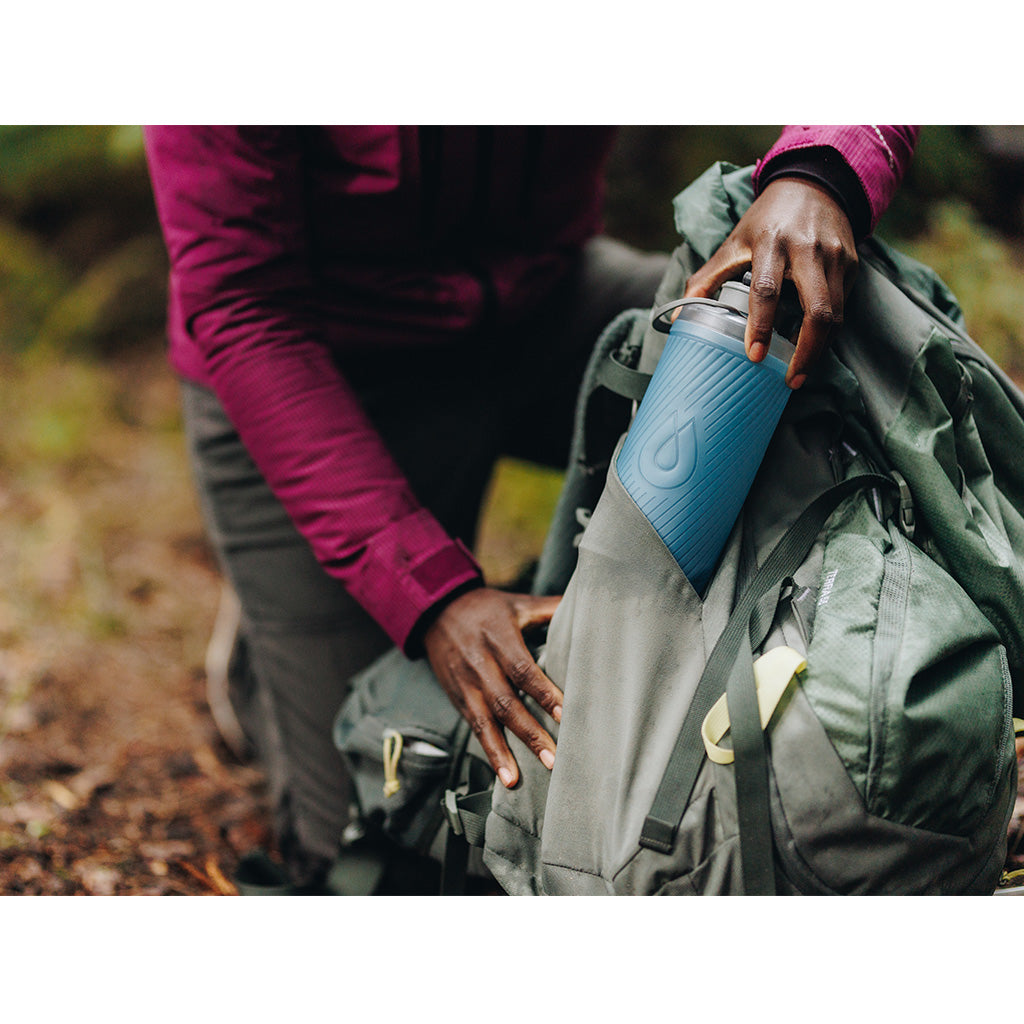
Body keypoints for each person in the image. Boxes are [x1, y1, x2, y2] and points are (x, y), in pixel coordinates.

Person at [143, 126, 918, 889]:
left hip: (542, 306)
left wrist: (823, 171)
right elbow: (244, 303)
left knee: (797, 329)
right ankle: (291, 627)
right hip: (319, 364)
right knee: (378, 841)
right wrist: (432, 596)